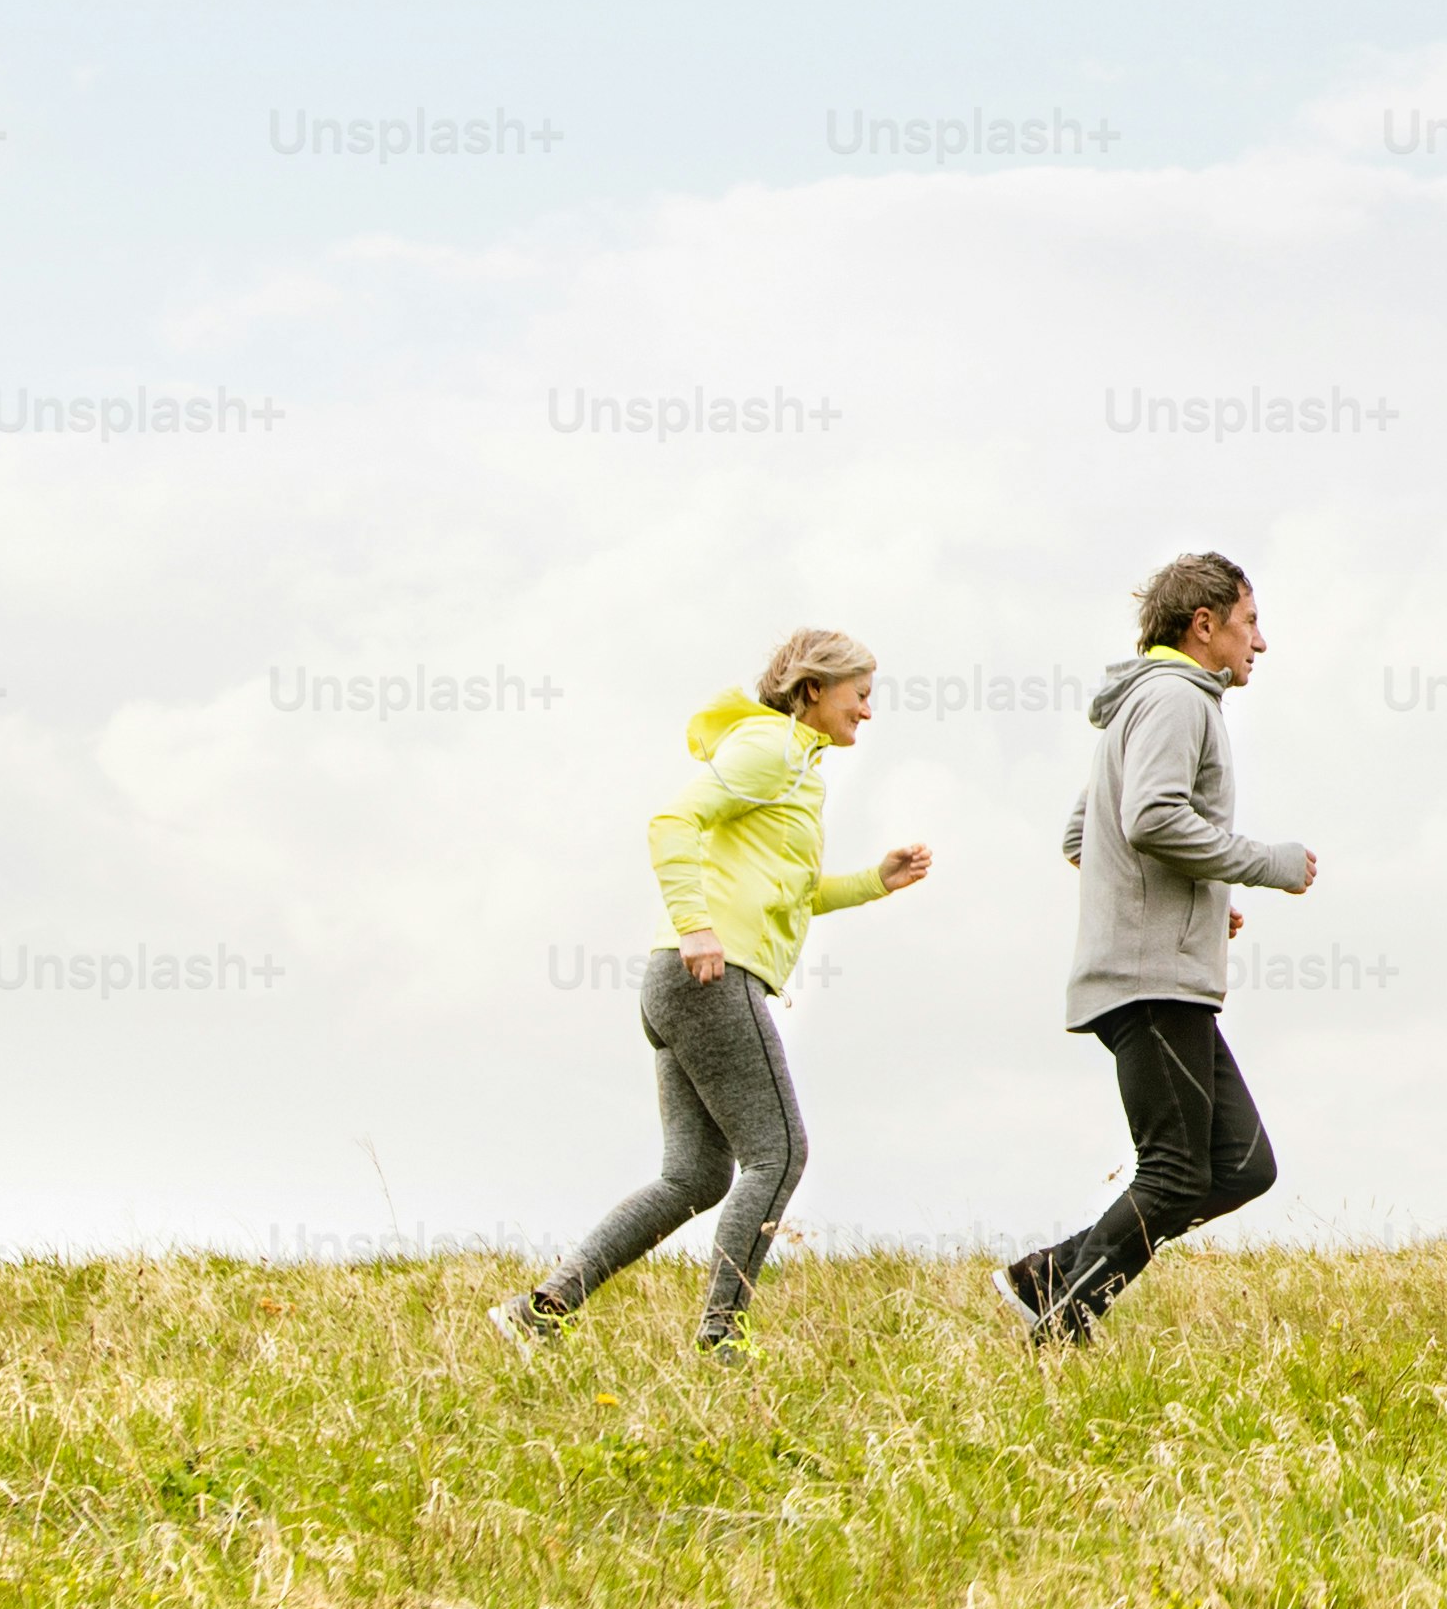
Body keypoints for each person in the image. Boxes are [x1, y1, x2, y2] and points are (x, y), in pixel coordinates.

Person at [500, 628, 930, 1353]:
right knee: (780, 1153)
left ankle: (541, 1310)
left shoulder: (797, 765)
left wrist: (872, 882)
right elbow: (673, 822)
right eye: (861, 695)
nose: (867, 711)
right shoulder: (770, 749)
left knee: (695, 1176)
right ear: (814, 689)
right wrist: (697, 926)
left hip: (680, 982)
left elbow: (790, 889)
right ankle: (721, 1336)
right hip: (704, 972)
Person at [1000, 551, 1316, 1342]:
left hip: (1156, 971)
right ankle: (1064, 1325)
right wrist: (1264, 865)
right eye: (1250, 623)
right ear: (1204, 625)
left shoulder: (1146, 701)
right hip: (1151, 979)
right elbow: (1149, 820)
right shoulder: (1178, 699)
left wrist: (1199, 896)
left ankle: (1051, 1273)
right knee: (1177, 1173)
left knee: (1242, 1166)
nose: (1261, 643)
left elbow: (1085, 833)